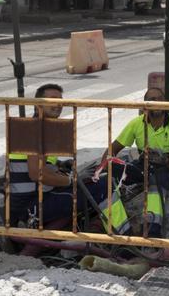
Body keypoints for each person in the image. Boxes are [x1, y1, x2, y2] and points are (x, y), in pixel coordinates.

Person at [8, 83, 107, 226]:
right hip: (31, 204)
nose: (58, 104)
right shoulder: (37, 130)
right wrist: (71, 181)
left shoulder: (35, 126)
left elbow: (34, 163)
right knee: (104, 186)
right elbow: (36, 174)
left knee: (88, 186)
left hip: (30, 200)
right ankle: (118, 233)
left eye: (60, 101)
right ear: (38, 105)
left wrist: (59, 165)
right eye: (52, 100)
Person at [99, 87, 169, 237]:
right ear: (145, 105)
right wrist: (105, 166)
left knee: (155, 180)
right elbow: (113, 149)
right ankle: (120, 231)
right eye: (151, 99)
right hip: (144, 166)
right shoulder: (136, 124)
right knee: (107, 175)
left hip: (166, 170)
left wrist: (163, 159)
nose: (156, 102)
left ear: (166, 102)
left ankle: (152, 230)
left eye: (159, 99)